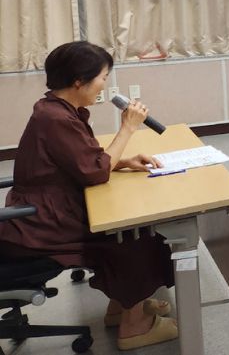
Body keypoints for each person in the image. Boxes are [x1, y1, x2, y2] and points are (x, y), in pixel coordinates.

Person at [0, 41, 178, 351]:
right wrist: (127, 129)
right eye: (103, 77)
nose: (105, 85)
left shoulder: (55, 110)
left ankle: (123, 308)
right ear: (79, 81)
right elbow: (95, 172)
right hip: (42, 224)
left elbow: (79, 162)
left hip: (44, 209)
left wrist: (122, 161)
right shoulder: (56, 118)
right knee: (133, 237)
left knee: (131, 228)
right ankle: (134, 327)